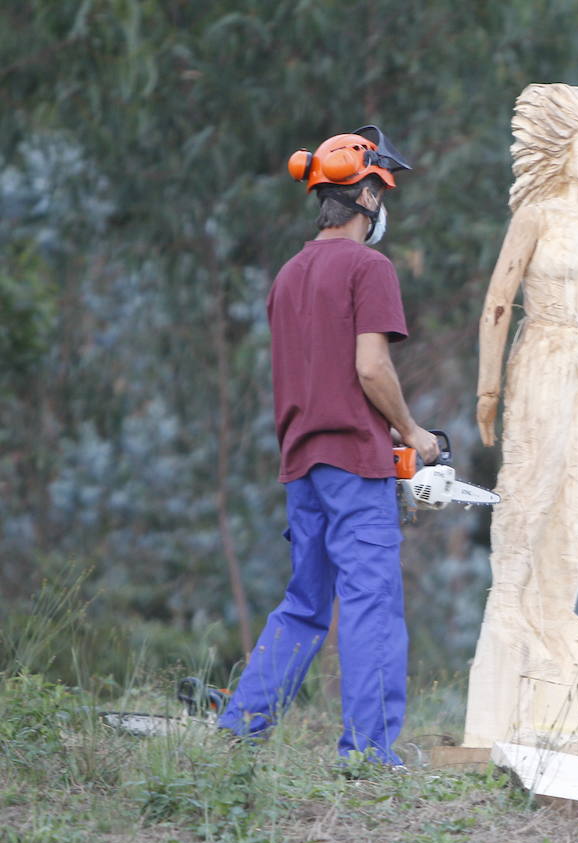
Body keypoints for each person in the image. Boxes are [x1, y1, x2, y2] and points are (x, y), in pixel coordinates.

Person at [217, 126, 438, 767]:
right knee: (370, 605)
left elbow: (318, 372)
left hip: (301, 462)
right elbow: (371, 370)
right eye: (383, 191)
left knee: (306, 602)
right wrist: (412, 431)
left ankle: (240, 730)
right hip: (354, 461)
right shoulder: (369, 267)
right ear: (367, 194)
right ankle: (369, 754)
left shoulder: (288, 275)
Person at [464, 84, 578, 746]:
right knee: (529, 487)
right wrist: (487, 389)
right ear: (563, 153)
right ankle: (510, 608)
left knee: (575, 500)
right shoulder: (535, 216)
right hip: (541, 357)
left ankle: (556, 615)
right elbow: (499, 302)